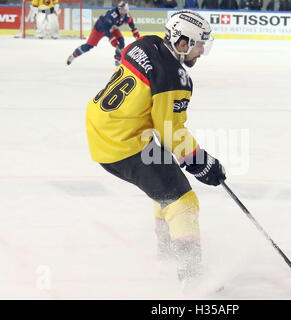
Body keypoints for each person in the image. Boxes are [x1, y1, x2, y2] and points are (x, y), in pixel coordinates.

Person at [85, 10, 226, 288]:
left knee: (165, 182)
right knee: (182, 200)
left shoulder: (144, 43)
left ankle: (167, 250)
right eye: (198, 44)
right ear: (181, 42)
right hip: (124, 144)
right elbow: (171, 131)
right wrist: (203, 162)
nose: (201, 51)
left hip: (101, 127)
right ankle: (193, 277)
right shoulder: (175, 78)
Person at [66, 1, 140, 67]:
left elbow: (131, 24)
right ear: (119, 9)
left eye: (126, 10)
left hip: (112, 27)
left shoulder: (126, 16)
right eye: (123, 10)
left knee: (121, 42)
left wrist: (135, 33)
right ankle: (73, 55)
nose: (125, 11)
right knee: (88, 46)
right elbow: (105, 28)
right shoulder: (112, 15)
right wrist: (112, 39)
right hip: (100, 28)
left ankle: (118, 60)